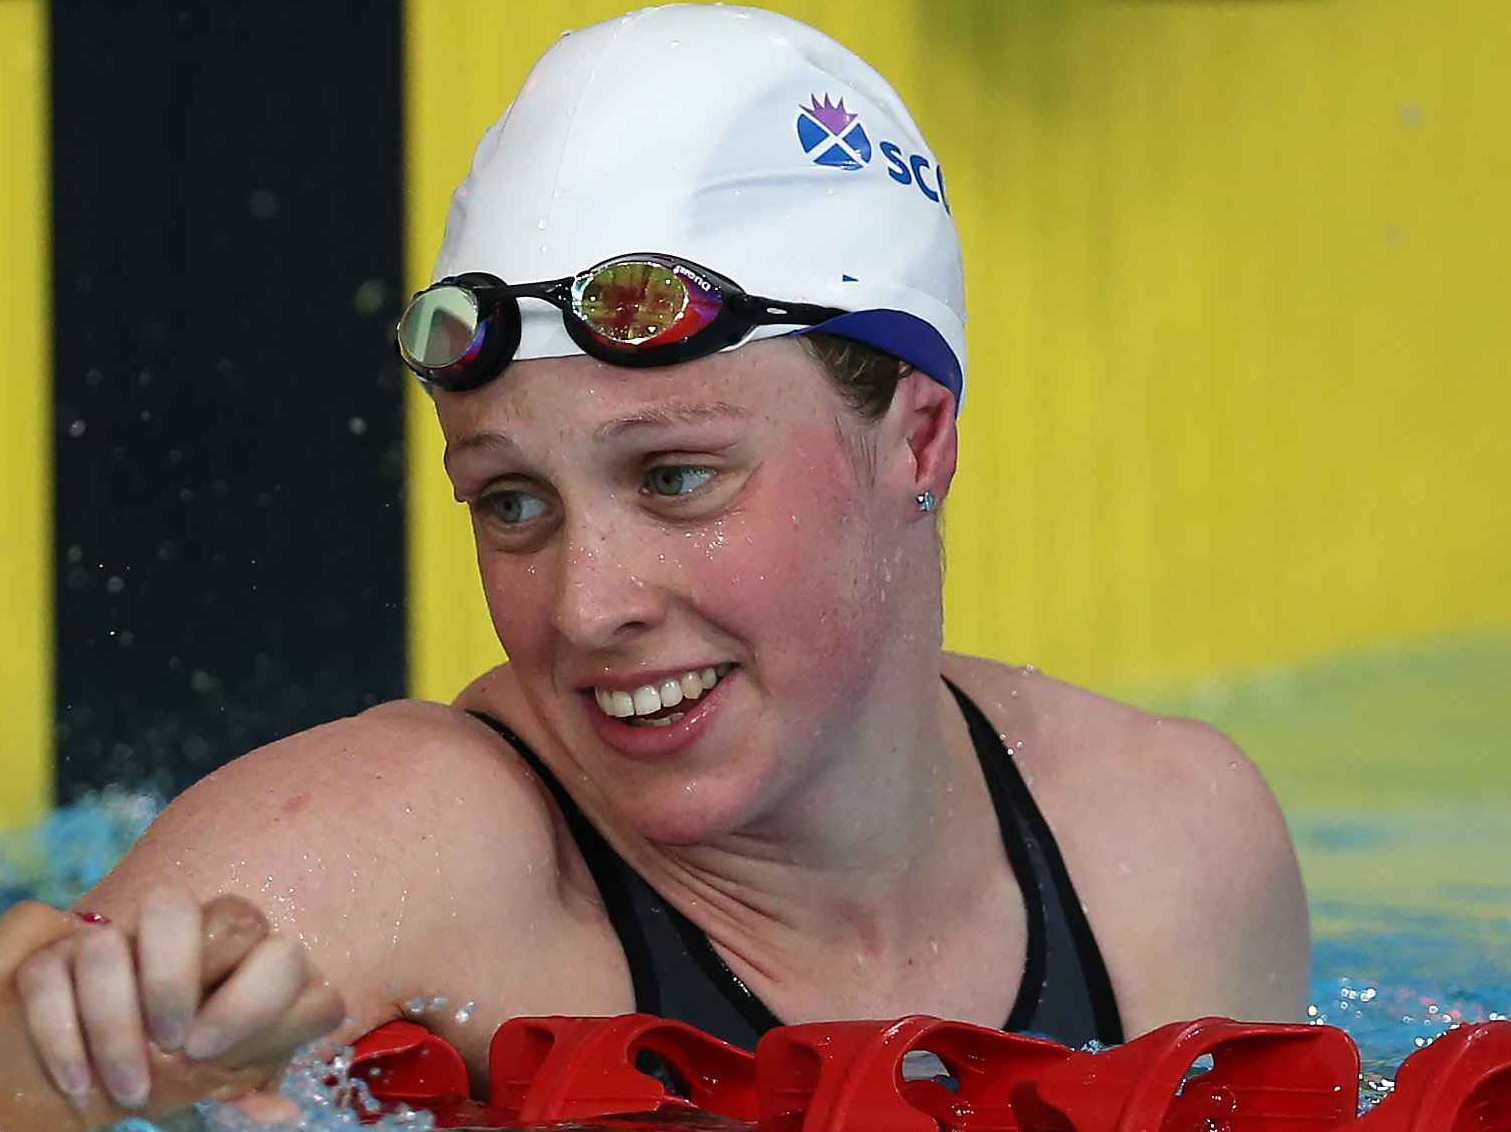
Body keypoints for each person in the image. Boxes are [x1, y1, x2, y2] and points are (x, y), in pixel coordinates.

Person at [4, 4, 1310, 1123]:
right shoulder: (387, 855)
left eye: (674, 478)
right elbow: (59, 1021)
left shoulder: (1169, 855)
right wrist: (67, 1058)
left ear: (916, 437)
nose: (587, 606)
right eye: (511, 503)